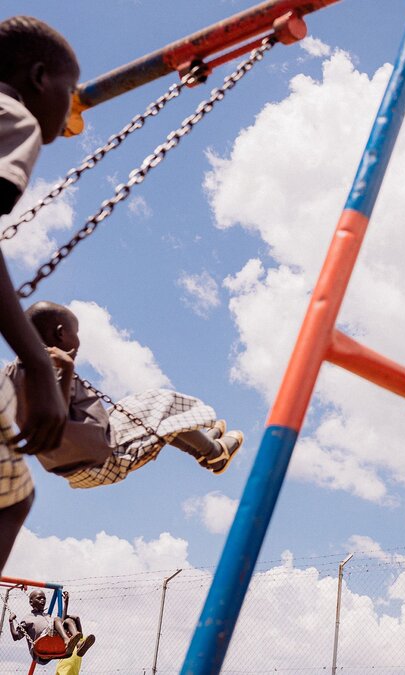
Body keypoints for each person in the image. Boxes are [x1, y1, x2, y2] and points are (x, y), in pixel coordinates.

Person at [6, 301, 244, 488]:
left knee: (139, 407)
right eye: (75, 333)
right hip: (101, 460)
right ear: (60, 334)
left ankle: (200, 447)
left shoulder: (15, 370)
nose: (78, 341)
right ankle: (214, 453)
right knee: (159, 405)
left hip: (76, 463)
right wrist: (67, 369)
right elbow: (54, 415)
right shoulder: (52, 367)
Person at [0, 15, 79, 574]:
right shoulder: (14, 115)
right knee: (13, 498)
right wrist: (37, 365)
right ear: (38, 77)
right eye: (69, 92)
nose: (71, 109)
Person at [8, 589, 81, 664]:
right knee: (56, 619)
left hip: (53, 646)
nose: (42, 600)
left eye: (44, 598)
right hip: (39, 651)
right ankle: (67, 641)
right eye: (39, 598)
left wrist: (66, 603)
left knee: (69, 621)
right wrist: (11, 621)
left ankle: (79, 645)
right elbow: (16, 636)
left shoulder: (47, 616)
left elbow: (61, 624)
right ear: (31, 602)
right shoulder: (27, 619)